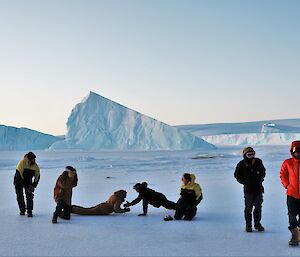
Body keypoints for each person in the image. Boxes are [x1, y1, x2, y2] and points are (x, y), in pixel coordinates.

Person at [234, 147, 266, 232]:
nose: (252, 156)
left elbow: (263, 172)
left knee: (258, 207)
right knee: (248, 207)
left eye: (253, 154)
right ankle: (248, 225)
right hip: (248, 190)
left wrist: (260, 179)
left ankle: (257, 223)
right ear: (245, 155)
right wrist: (245, 182)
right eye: (249, 154)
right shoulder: (241, 164)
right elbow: (237, 175)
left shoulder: (258, 162)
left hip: (258, 189)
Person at [280, 140, 300, 246]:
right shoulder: (287, 162)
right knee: (292, 216)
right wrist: (287, 185)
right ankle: (294, 235)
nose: (298, 153)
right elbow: (283, 174)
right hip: (292, 195)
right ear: (292, 151)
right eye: (295, 151)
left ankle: (298, 235)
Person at [14, 152, 40, 217]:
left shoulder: (35, 166)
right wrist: (26, 186)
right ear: (29, 159)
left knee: (29, 195)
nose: (34, 160)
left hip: (28, 180)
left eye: (34, 159)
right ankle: (22, 210)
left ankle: (29, 211)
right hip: (18, 180)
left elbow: (37, 176)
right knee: (20, 196)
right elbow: (18, 176)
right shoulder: (21, 163)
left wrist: (33, 185)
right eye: (33, 159)